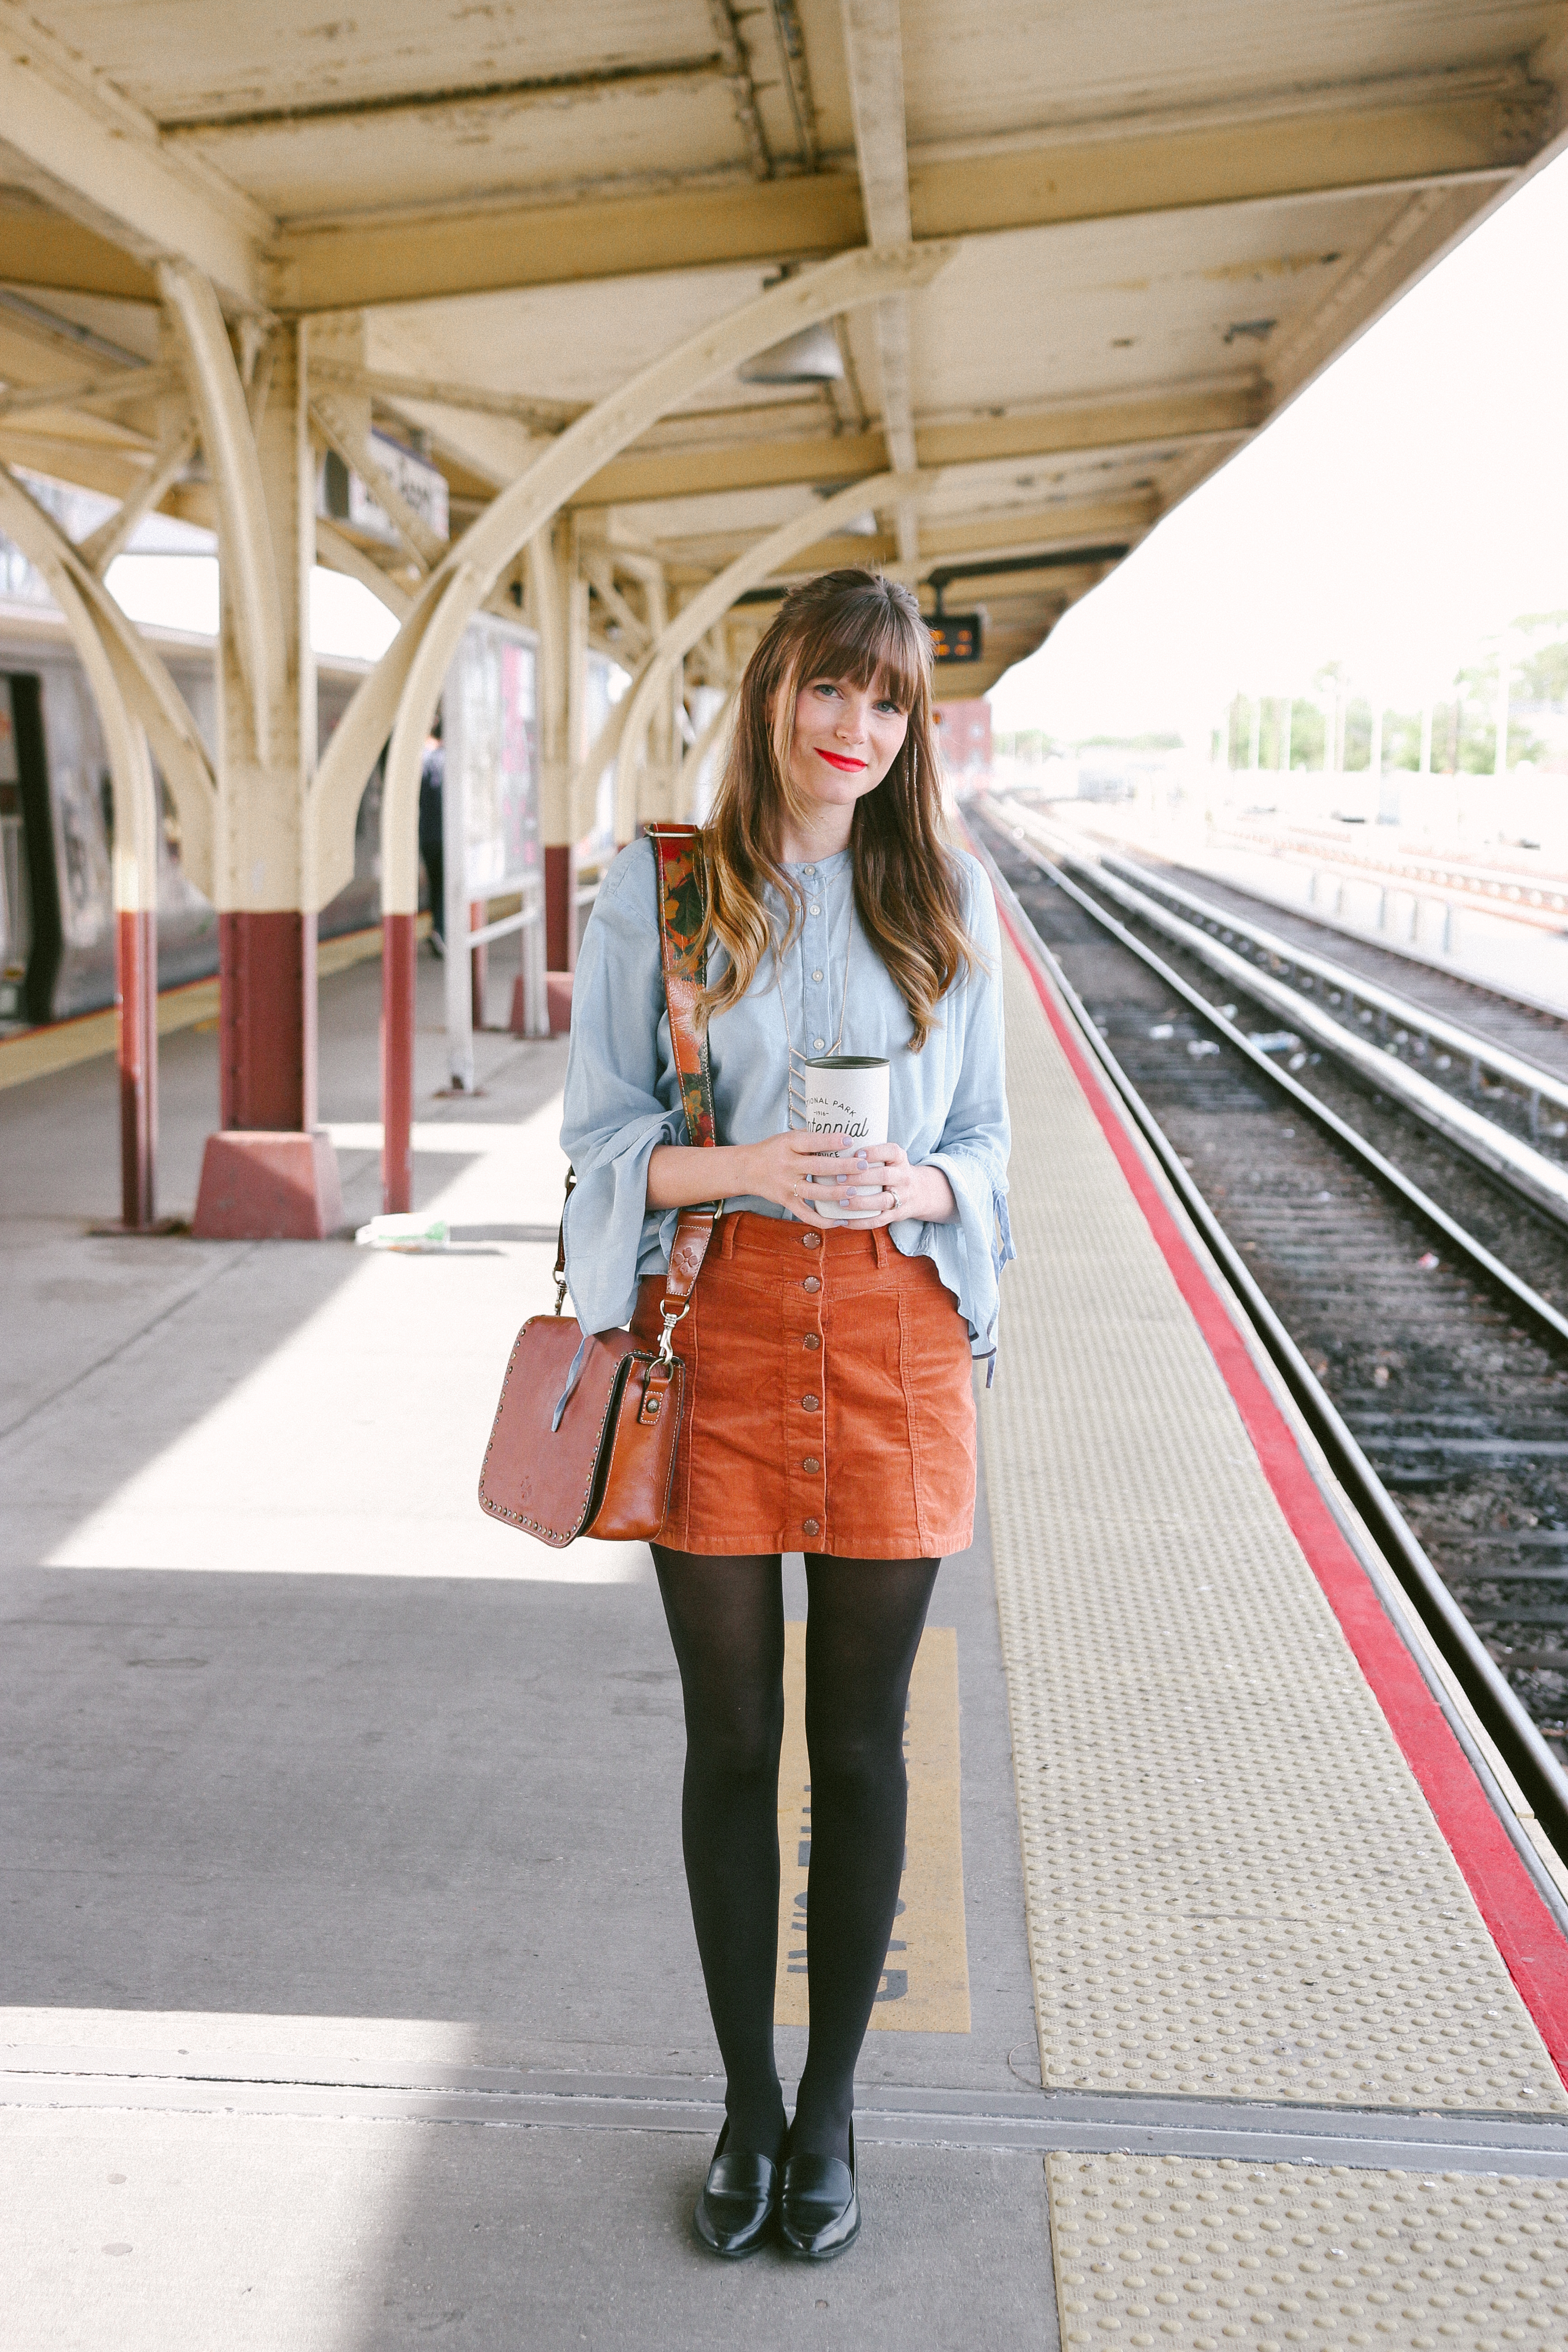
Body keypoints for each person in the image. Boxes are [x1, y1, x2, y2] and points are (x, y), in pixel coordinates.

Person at [559, 569, 1012, 2261]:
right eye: (830, 691)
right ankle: (744, 2102)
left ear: (910, 732)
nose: (854, 728)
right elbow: (601, 1144)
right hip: (724, 1333)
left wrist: (927, 1179)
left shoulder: (945, 898)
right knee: (735, 1740)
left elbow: (991, 1159)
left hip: (895, 1336)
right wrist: (740, 1167)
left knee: (865, 1745)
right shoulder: (666, 890)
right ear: (770, 696)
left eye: (886, 704)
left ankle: (832, 2115)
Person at [417, 719, 445, 957]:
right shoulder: (450, 760)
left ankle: (437, 927)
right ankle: (442, 932)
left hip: (427, 835)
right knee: (446, 888)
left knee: (436, 886)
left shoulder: (423, 759)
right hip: (448, 837)